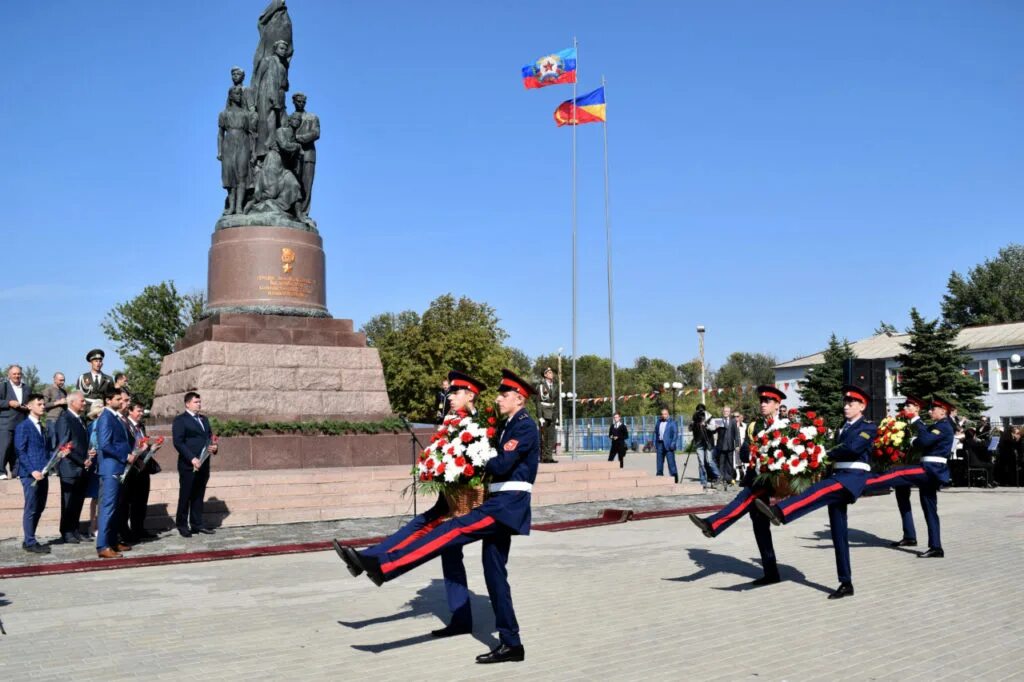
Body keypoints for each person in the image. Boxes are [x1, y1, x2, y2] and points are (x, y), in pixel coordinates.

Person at [337, 369, 539, 665]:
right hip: (499, 502)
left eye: (504, 395)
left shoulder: (525, 426)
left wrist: (470, 452)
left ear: (519, 399)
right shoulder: (509, 424)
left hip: (507, 506)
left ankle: (385, 566)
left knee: (453, 530)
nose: (498, 399)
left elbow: (501, 464)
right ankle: (512, 644)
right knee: (494, 574)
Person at [333, 370, 487, 638]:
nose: (450, 396)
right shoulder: (452, 422)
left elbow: (481, 462)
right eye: (449, 392)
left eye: (456, 392)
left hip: (468, 502)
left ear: (471, 395)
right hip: (451, 498)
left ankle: (373, 561)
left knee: (427, 536)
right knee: (447, 555)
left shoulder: (479, 425)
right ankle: (461, 619)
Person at [754, 385, 878, 599]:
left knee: (817, 491)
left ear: (862, 406)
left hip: (852, 478)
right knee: (839, 533)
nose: (846, 406)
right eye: (845, 402)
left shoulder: (868, 427)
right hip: (838, 475)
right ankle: (846, 582)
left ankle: (780, 512)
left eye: (851, 403)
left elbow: (853, 448)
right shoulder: (842, 427)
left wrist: (825, 452)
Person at [688, 385, 785, 586]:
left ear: (778, 404)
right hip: (754, 476)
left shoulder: (785, 426)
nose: (763, 404)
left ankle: (712, 524)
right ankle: (771, 573)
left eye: (767, 401)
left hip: (769, 482)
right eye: (761, 401)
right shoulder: (755, 425)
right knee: (761, 528)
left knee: (743, 499)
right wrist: (753, 453)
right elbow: (745, 450)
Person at [861, 395, 956, 558]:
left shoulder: (942, 426)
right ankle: (935, 547)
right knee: (929, 507)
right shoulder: (937, 425)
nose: (930, 411)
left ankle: (862, 483)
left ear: (943, 411)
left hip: (930, 469)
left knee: (898, 473)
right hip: (929, 468)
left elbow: (924, 441)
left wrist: (914, 440)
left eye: (933, 409)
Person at [94, 387, 134, 559]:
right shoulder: (105, 417)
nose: (121, 401)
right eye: (118, 399)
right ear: (108, 401)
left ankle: (112, 540)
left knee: (115, 507)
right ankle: (103, 546)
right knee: (108, 507)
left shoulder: (115, 417)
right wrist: (125, 456)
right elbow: (105, 444)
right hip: (110, 468)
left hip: (118, 467)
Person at [172, 391, 218, 537]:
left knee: (198, 494)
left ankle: (197, 524)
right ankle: (182, 524)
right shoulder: (180, 420)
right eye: (196, 402)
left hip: (204, 463)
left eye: (199, 402)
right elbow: (178, 442)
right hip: (188, 464)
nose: (199, 404)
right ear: (187, 404)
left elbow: (209, 437)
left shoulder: (204, 419)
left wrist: (214, 447)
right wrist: (192, 458)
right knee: (186, 495)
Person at [887, 396, 926, 548]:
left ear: (917, 409)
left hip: (912, 467)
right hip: (901, 467)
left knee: (920, 502)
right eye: (905, 406)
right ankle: (909, 535)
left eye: (910, 406)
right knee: (902, 499)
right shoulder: (903, 424)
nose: (906, 408)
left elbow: (920, 447)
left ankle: (915, 537)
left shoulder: (920, 426)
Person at [15, 393, 51, 553]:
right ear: (29, 406)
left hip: (43, 473)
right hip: (30, 474)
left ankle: (29, 538)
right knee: (31, 507)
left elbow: (45, 449)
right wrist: (32, 470)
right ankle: (30, 542)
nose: (43, 406)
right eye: (39, 404)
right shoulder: (23, 426)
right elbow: (20, 451)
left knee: (40, 507)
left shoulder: (42, 427)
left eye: (43, 404)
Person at [54, 391, 91, 544]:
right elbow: (63, 446)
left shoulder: (80, 419)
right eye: (82, 401)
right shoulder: (65, 418)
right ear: (72, 402)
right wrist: (81, 461)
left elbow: (80, 442)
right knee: (68, 502)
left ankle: (75, 529)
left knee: (78, 501)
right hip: (70, 467)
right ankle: (66, 531)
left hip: (82, 467)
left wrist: (88, 455)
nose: (84, 403)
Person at [120, 400, 160, 542]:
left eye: (142, 411)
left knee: (141, 500)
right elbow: (128, 446)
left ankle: (139, 529)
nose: (141, 413)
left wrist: (151, 449)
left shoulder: (141, 426)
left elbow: (142, 445)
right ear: (130, 411)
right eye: (138, 411)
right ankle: (125, 532)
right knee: (127, 502)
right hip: (130, 467)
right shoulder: (125, 425)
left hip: (143, 467)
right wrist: (136, 458)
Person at [291, 92, 319, 214]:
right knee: (294, 184)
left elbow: (316, 133)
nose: (301, 104)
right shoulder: (289, 117)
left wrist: (299, 138)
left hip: (308, 155)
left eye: (303, 102)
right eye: (299, 101)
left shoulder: (312, 117)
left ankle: (304, 212)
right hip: (294, 155)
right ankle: (293, 210)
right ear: (293, 102)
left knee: (306, 185)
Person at [1, 364, 30, 479]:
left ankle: (17, 471)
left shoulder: (27, 388)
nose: (17, 376)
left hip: (22, 421)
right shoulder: (3, 386)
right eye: (14, 374)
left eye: (19, 374)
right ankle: (1, 471)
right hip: (6, 422)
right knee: (4, 447)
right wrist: (8, 403)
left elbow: (30, 402)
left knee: (19, 448)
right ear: (9, 375)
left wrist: (28, 406)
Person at [688, 405, 718, 489]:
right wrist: (692, 424)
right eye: (698, 411)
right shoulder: (695, 417)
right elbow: (690, 429)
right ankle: (703, 481)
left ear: (705, 411)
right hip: (699, 442)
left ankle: (717, 476)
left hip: (708, 442)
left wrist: (706, 425)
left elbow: (714, 428)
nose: (700, 413)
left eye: (701, 411)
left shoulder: (710, 417)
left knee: (709, 461)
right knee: (701, 463)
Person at [712, 405, 739, 488]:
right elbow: (714, 432)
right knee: (721, 463)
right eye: (724, 411)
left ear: (729, 412)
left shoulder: (733, 421)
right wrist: (715, 428)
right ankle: (721, 478)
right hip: (721, 445)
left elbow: (736, 434)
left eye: (727, 411)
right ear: (722, 412)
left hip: (730, 445)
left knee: (730, 463)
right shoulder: (719, 421)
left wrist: (737, 445)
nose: (726, 412)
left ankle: (729, 478)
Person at [536, 367, 558, 463]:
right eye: (549, 372)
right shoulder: (540, 386)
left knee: (551, 436)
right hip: (544, 412)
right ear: (545, 375)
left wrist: (557, 416)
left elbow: (556, 402)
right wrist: (540, 416)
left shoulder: (555, 386)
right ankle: (543, 457)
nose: (551, 374)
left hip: (552, 413)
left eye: (551, 372)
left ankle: (549, 457)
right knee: (544, 437)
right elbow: (538, 402)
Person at [654, 407, 680, 483]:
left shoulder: (672, 422)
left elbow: (675, 434)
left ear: (668, 414)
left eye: (665, 414)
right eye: (662, 414)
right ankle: (659, 477)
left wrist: (673, 443)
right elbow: (656, 433)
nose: (664, 415)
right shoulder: (658, 422)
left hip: (669, 445)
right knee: (659, 462)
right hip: (660, 444)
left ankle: (674, 479)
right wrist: (656, 444)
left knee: (671, 463)